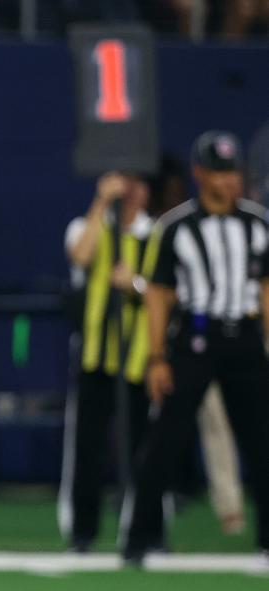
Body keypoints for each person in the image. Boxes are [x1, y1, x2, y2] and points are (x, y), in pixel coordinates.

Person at [121, 131, 269, 564]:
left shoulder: (257, 224)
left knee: (261, 442)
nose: (228, 181)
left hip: (243, 338)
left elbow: (265, 291)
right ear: (200, 174)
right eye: (219, 172)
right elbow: (158, 295)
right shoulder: (175, 228)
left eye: (232, 172)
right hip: (195, 340)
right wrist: (156, 357)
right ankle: (138, 538)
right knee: (164, 439)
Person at [58, 171, 157, 551]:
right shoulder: (89, 226)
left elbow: (167, 292)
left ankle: (147, 531)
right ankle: (83, 533)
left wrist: (133, 284)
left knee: (145, 451)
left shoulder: (157, 234)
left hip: (139, 360)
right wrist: (101, 203)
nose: (129, 190)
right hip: (95, 359)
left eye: (136, 182)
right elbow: (80, 254)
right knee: (87, 450)